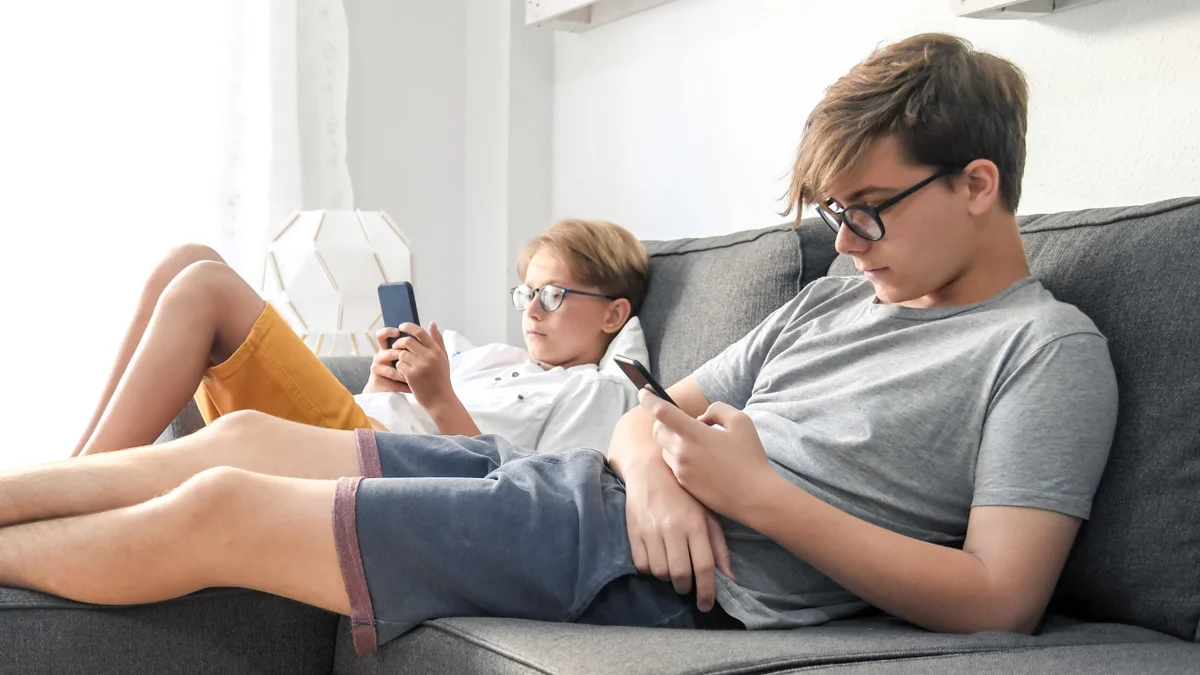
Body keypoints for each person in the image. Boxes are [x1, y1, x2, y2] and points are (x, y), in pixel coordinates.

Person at [0, 33, 1118, 655]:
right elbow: (646, 414)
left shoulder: (1046, 352)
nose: (849, 240)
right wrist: (669, 481)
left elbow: (1000, 598)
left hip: (656, 576)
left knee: (223, 510)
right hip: (594, 491)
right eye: (834, 215)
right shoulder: (830, 301)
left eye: (868, 210)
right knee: (236, 434)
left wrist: (754, 497)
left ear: (979, 184)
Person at [70, 218, 650, 459]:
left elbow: (543, 500)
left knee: (207, 286)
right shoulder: (496, 357)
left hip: (378, 464)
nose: (533, 310)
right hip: (355, 424)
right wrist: (383, 382)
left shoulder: (597, 394)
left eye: (553, 295)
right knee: (188, 259)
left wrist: (440, 399)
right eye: (526, 293)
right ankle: (76, 469)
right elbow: (400, 406)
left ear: (612, 315)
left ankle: (73, 484)